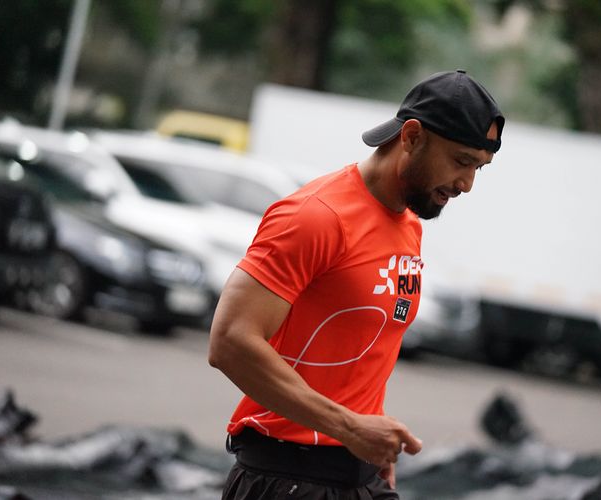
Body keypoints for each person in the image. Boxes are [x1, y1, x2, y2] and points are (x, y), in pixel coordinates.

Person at [208, 69, 504, 499]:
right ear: (412, 137)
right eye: (461, 161)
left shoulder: (408, 224)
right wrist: (348, 427)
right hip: (287, 478)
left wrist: (371, 438)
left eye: (479, 167)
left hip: (359, 474)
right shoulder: (315, 216)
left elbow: (361, 348)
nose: (467, 184)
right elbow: (230, 342)